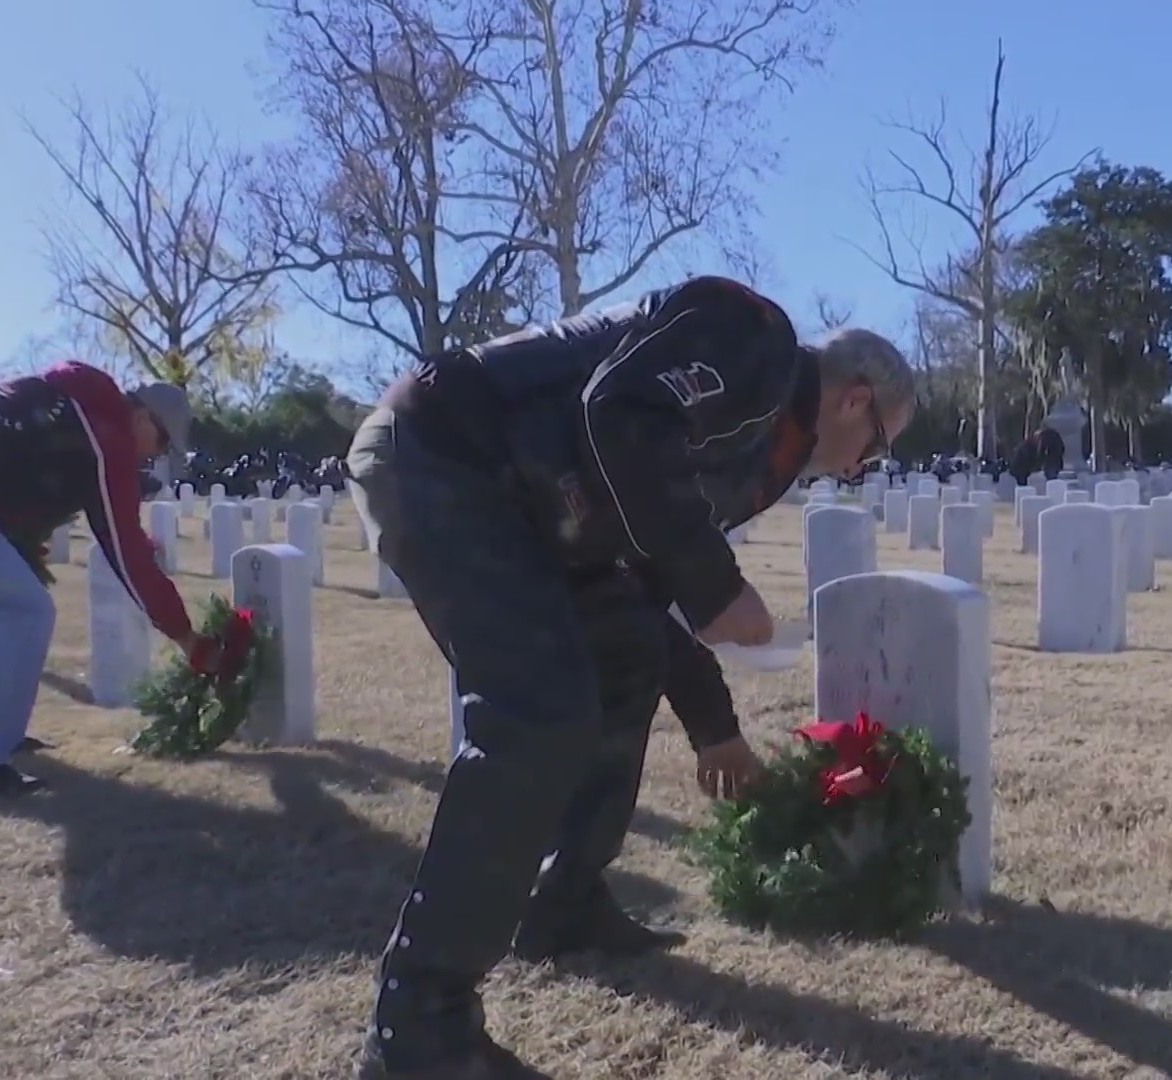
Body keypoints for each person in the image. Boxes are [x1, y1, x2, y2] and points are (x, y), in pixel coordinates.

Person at [346, 275, 913, 1079]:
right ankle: (418, 1024)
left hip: (531, 504)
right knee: (536, 714)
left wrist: (715, 726)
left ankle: (563, 900)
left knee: (625, 658)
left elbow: (645, 580)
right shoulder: (754, 338)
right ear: (856, 399)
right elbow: (617, 409)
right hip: (450, 453)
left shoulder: (764, 452)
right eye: (878, 446)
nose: (860, 469)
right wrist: (716, 584)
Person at [0, 361, 232, 799]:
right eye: (162, 440)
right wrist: (188, 638)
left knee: (8, 607)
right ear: (139, 417)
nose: (154, 455)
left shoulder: (73, 406)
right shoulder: (105, 434)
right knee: (22, 611)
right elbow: (125, 549)